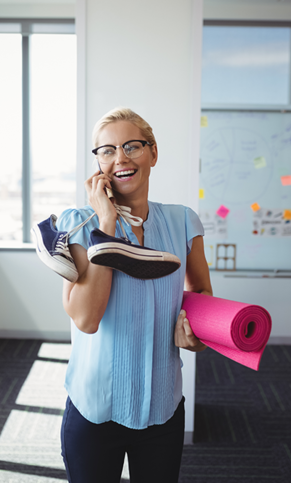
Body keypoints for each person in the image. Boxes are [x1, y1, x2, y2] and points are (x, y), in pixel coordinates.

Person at [56, 107, 213, 483]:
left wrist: (197, 334)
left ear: (153, 153)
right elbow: (86, 319)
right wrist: (106, 225)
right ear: (98, 164)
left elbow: (202, 295)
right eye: (107, 150)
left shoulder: (183, 221)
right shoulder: (78, 224)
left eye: (132, 146)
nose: (120, 158)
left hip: (163, 407)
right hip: (95, 408)